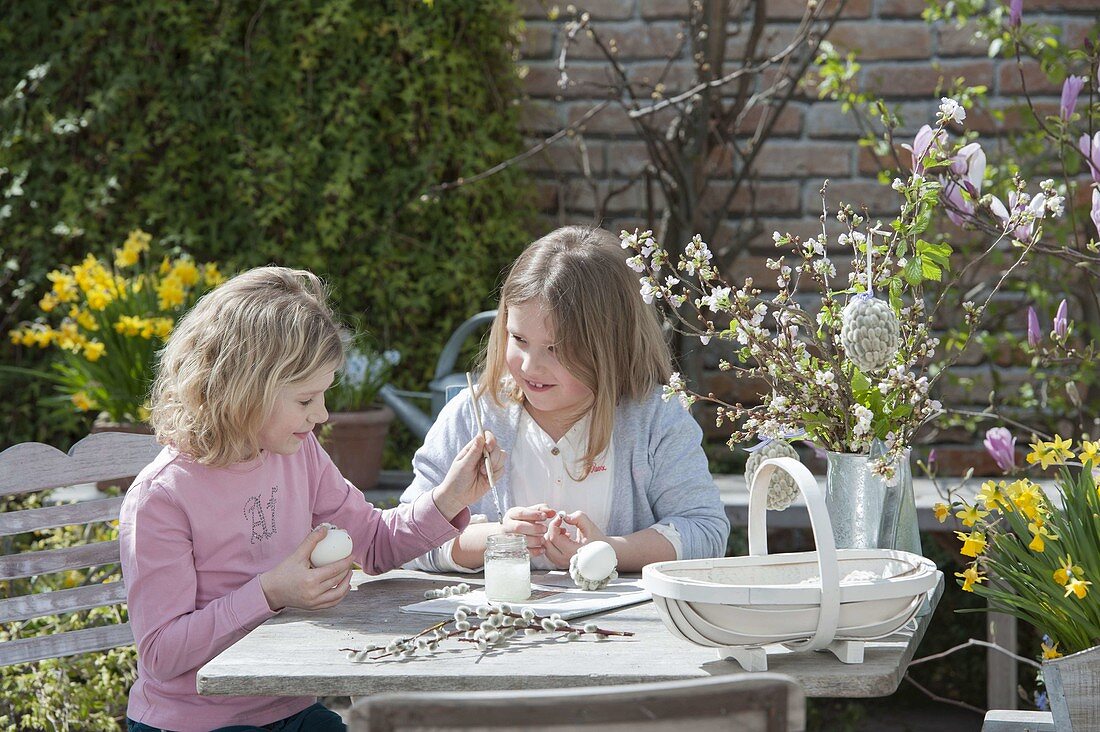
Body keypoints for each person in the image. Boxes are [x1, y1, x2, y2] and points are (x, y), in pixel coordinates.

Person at [120, 266, 501, 732]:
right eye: (305, 401)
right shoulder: (161, 497)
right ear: (244, 390)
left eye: (322, 396)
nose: (321, 415)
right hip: (193, 721)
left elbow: (376, 545)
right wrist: (269, 593)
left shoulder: (297, 454)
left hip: (288, 708)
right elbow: (161, 653)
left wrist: (449, 497)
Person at [401, 226, 729, 574]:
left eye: (555, 349)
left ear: (610, 347)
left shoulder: (654, 419)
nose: (529, 366)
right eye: (519, 338)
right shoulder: (472, 416)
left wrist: (608, 550)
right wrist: (496, 539)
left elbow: (706, 533)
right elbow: (404, 539)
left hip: (626, 628)